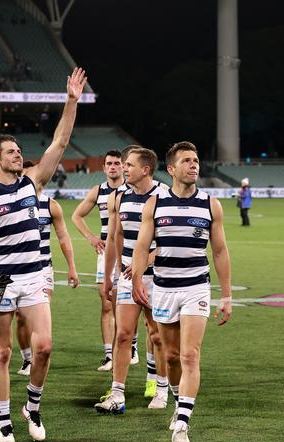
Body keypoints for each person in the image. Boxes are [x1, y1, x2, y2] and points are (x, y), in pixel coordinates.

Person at [0, 67, 86, 442]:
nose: (19, 155)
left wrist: (71, 101)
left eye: (19, 151)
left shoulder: (33, 181)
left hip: (34, 275)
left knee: (45, 347)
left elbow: (61, 142)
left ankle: (32, 406)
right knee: (2, 352)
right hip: (1, 281)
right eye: (11, 152)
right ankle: (4, 423)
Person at [132, 141, 232, 442]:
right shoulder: (156, 203)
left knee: (190, 355)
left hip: (196, 287)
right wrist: (137, 278)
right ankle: (179, 400)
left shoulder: (210, 204)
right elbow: (141, 246)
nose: (194, 165)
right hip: (163, 288)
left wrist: (225, 296)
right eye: (187, 161)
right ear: (172, 169)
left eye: (196, 160)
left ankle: (183, 423)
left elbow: (219, 250)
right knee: (171, 356)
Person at [94, 148, 169, 414]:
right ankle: (117, 393)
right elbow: (116, 237)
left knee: (157, 335)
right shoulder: (119, 196)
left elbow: (171, 240)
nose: (124, 168)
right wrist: (109, 277)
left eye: (129, 165)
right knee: (123, 334)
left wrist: (145, 262)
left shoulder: (164, 195)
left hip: (157, 277)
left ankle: (161, 389)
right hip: (126, 276)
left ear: (145, 170)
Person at [16, 160, 79, 376]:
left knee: (38, 313)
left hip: (44, 268)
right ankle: (26, 358)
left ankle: (37, 355)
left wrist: (72, 267)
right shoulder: (16, 202)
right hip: (19, 267)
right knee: (21, 317)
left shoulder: (52, 205)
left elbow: (63, 236)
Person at [71, 150, 124, 371]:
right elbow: (76, 216)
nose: (113, 167)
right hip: (105, 253)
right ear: (103, 168)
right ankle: (109, 355)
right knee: (106, 303)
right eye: (109, 163)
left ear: (123, 167)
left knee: (130, 303)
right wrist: (92, 238)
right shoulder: (98, 191)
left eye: (117, 163)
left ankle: (130, 346)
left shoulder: (131, 190)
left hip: (128, 252)